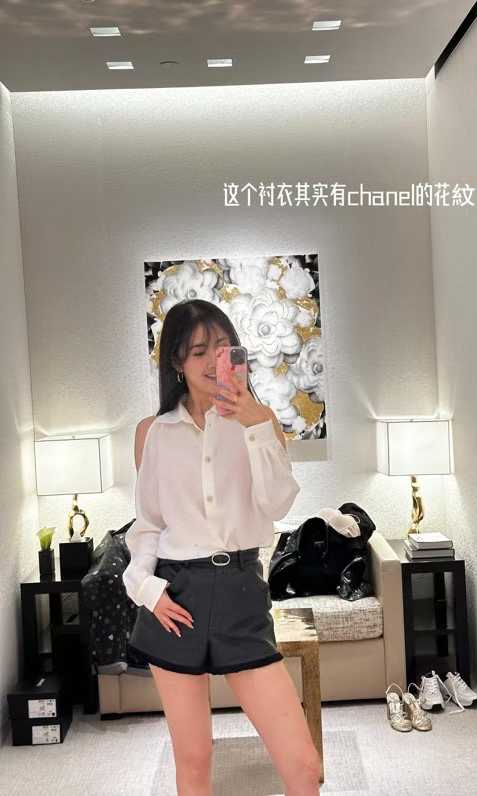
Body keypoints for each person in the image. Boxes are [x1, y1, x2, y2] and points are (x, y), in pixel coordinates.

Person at [122, 299, 321, 796]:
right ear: (177, 362)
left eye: (222, 347)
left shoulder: (260, 420)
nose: (214, 361)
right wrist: (146, 589)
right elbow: (148, 526)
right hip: (176, 597)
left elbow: (277, 503)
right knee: (194, 760)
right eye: (198, 352)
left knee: (302, 765)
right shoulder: (153, 433)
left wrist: (256, 426)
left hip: (240, 591)